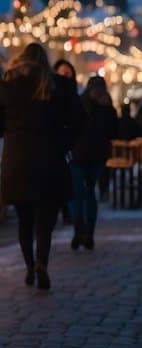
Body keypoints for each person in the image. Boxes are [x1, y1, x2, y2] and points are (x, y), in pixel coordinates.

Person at [0, 43, 83, 291]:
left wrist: (9, 131)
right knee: (45, 221)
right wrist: (64, 143)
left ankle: (29, 265)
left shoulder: (7, 85)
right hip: (50, 161)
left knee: (24, 220)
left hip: (18, 161)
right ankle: (42, 263)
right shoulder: (60, 86)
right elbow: (79, 122)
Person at [70, 76, 116, 250]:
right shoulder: (107, 106)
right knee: (89, 192)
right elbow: (113, 132)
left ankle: (78, 228)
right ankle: (89, 232)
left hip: (78, 154)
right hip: (97, 156)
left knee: (76, 193)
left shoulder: (79, 103)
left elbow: (71, 127)